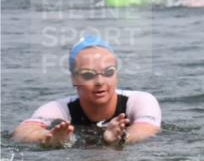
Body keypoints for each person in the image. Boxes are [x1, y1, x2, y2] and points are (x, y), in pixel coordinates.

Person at [12, 36, 161, 147]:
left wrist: (121, 137)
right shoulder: (59, 108)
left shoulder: (140, 100)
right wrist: (48, 138)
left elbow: (148, 128)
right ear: (73, 79)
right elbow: (22, 131)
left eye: (108, 72)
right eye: (88, 75)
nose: (100, 82)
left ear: (117, 75)